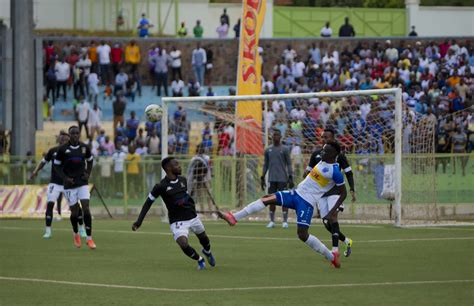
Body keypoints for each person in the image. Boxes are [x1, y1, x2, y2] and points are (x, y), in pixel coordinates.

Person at [219, 142, 345, 269]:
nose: (321, 153)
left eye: (325, 151)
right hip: (295, 193)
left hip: (306, 203)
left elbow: (343, 194)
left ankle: (331, 257)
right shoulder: (322, 161)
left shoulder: (335, 172)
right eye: (322, 150)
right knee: (267, 198)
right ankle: (234, 218)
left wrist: (331, 211)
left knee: (302, 234)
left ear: (333, 154)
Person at [132, 157, 216, 270]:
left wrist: (186, 201)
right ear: (168, 168)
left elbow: (185, 196)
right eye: (176, 164)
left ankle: (207, 251)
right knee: (183, 243)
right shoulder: (160, 186)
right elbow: (148, 203)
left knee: (204, 239)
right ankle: (199, 260)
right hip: (177, 220)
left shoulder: (183, 180)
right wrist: (139, 221)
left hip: (192, 216)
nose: (179, 166)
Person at [304, 128, 354, 257]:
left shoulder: (339, 156)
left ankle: (335, 251)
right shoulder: (316, 154)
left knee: (333, 217)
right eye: (323, 137)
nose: (324, 140)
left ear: (333, 139)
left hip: (336, 192)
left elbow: (348, 173)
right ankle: (347, 241)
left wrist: (352, 189)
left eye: (327, 138)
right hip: (321, 194)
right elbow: (308, 172)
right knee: (327, 223)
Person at [29, 132, 86, 239]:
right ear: (59, 141)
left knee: (76, 207)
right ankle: (48, 231)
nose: (64, 141)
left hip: (68, 184)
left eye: (66, 139)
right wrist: (35, 171)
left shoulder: (73, 151)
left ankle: (81, 228)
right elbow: (43, 162)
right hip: (54, 183)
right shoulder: (53, 151)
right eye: (62, 139)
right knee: (50, 204)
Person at [54, 126, 96, 249]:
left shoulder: (84, 148)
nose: (75, 135)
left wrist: (88, 173)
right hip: (69, 185)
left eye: (77, 133)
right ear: (69, 135)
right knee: (74, 213)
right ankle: (76, 234)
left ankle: (89, 239)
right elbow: (56, 166)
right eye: (73, 133)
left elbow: (91, 160)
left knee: (86, 208)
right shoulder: (62, 149)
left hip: (82, 182)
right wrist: (65, 178)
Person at [261, 129, 293, 229]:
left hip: (282, 179)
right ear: (272, 137)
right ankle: (272, 221)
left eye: (277, 135)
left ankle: (284, 221)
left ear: (280, 137)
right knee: (271, 200)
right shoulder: (268, 150)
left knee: (284, 200)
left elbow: (289, 164)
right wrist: (262, 176)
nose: (275, 137)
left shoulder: (285, 149)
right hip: (272, 179)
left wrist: (290, 176)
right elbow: (266, 164)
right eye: (274, 135)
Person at [187, 144, 213, 215]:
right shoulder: (194, 159)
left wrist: (208, 179)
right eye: (199, 149)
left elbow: (208, 168)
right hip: (198, 180)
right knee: (201, 195)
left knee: (208, 195)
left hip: (205, 178)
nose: (201, 150)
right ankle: (203, 211)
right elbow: (192, 171)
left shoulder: (206, 158)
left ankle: (210, 211)